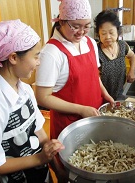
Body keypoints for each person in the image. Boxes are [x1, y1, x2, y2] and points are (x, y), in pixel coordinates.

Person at [0, 19, 64, 183]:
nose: (38, 63)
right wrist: (40, 158)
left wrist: (56, 167)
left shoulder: (24, 90)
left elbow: (38, 130)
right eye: (36, 56)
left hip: (41, 176)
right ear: (13, 58)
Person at [35, 0, 114, 141]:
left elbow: (94, 76)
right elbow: (42, 97)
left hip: (94, 115)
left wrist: (105, 94)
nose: (81, 32)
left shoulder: (89, 43)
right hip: (69, 125)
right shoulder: (51, 53)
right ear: (61, 22)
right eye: (76, 26)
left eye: (87, 26)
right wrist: (81, 109)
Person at [94, 10, 135, 100]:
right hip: (101, 97)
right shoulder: (95, 51)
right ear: (98, 34)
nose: (108, 37)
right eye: (103, 33)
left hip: (119, 93)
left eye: (111, 32)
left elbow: (132, 56)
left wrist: (132, 70)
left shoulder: (122, 46)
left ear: (118, 31)